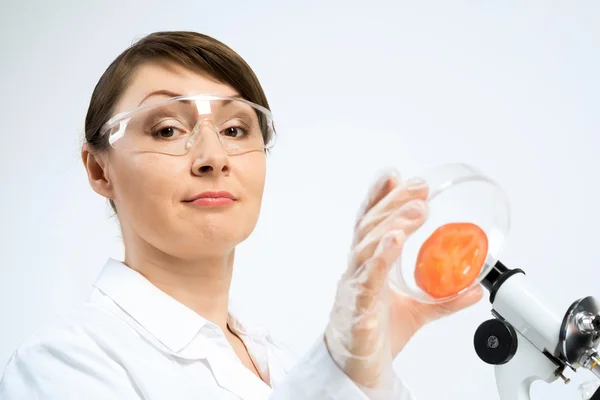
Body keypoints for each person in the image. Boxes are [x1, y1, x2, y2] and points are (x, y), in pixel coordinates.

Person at [0, 31, 482, 399]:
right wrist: (337, 367)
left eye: (235, 129)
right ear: (99, 169)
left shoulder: (280, 363)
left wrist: (366, 367)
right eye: (167, 129)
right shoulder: (63, 362)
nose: (213, 156)